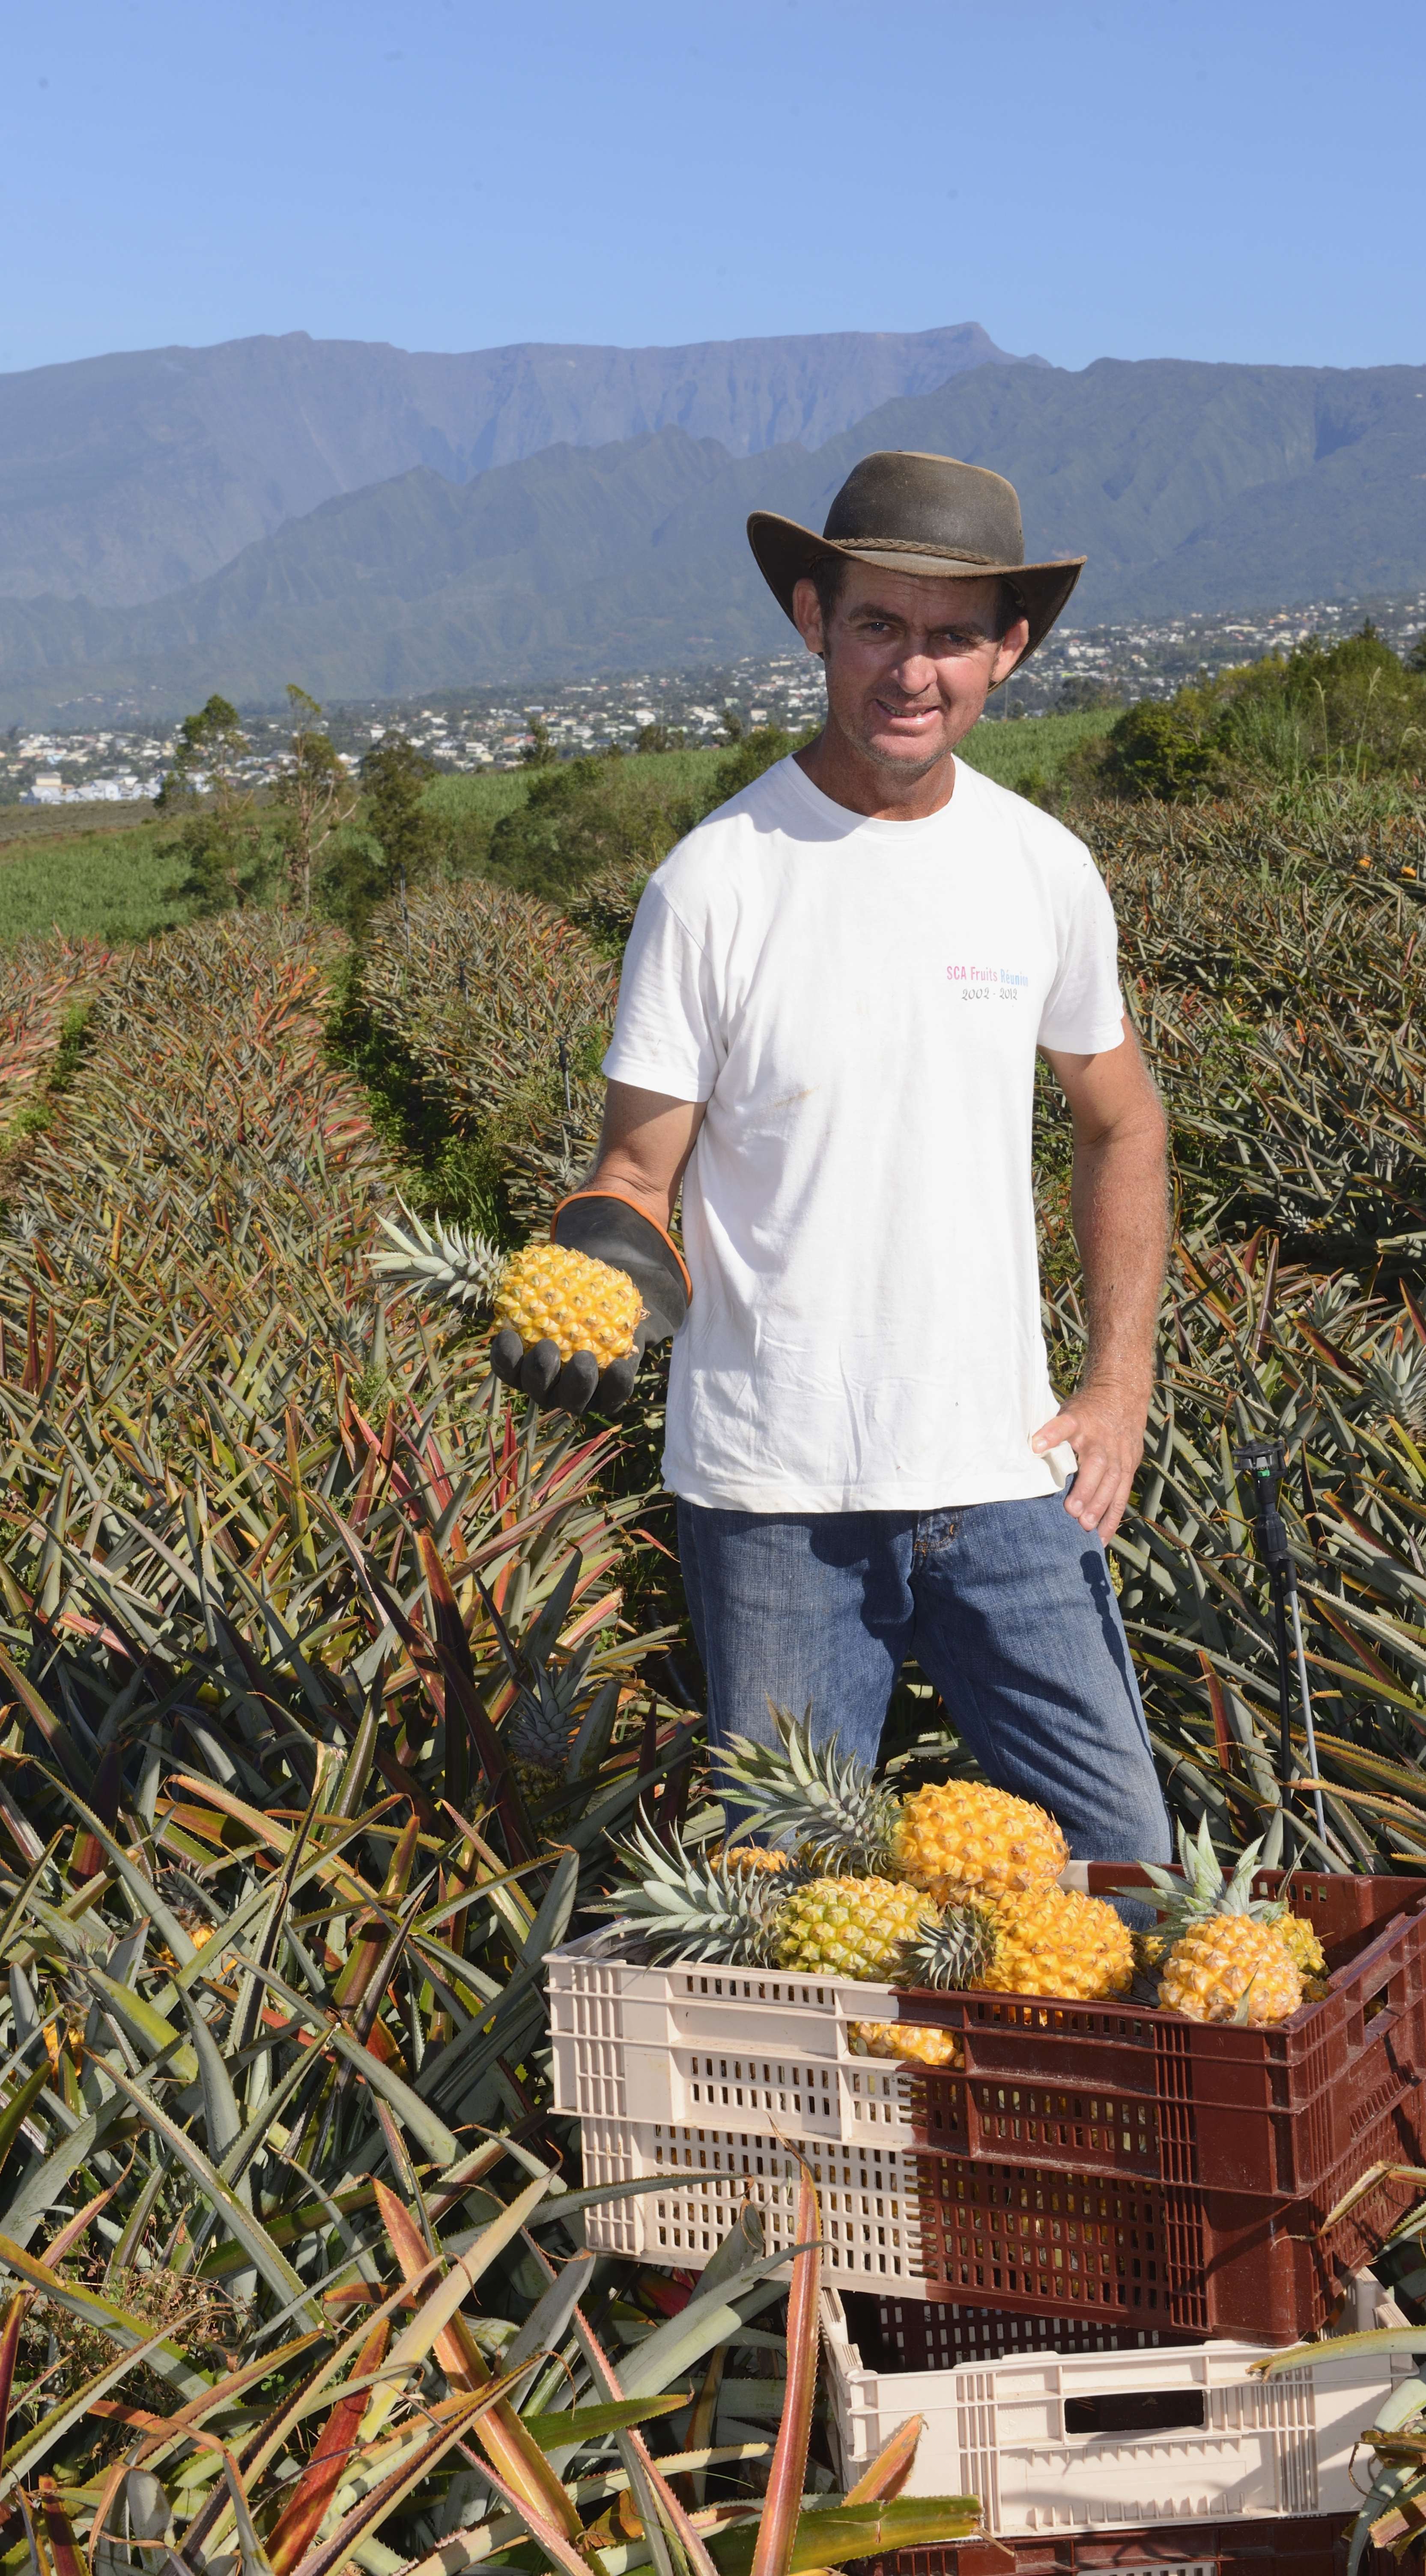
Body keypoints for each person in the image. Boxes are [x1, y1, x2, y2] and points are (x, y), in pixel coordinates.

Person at [490, 449, 1171, 1862]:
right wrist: (589, 1276)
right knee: (790, 1914)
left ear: (1008, 651)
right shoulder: (715, 883)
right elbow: (635, 1176)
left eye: (952, 636)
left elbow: (1123, 1121)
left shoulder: (1042, 868)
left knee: (1128, 1879)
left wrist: (1119, 1384)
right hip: (775, 1497)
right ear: (815, 621)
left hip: (1004, 1469)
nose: (913, 671)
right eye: (878, 624)